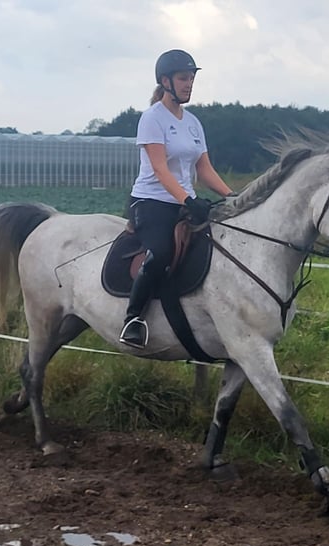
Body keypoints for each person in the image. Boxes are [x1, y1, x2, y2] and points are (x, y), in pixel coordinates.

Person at [119, 49, 234, 349]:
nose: (189, 84)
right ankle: (133, 318)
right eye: (184, 78)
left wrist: (232, 196)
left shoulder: (194, 123)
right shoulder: (152, 118)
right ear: (165, 81)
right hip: (151, 203)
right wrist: (187, 199)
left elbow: (204, 168)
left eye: (192, 78)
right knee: (160, 253)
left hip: (185, 201)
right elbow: (159, 168)